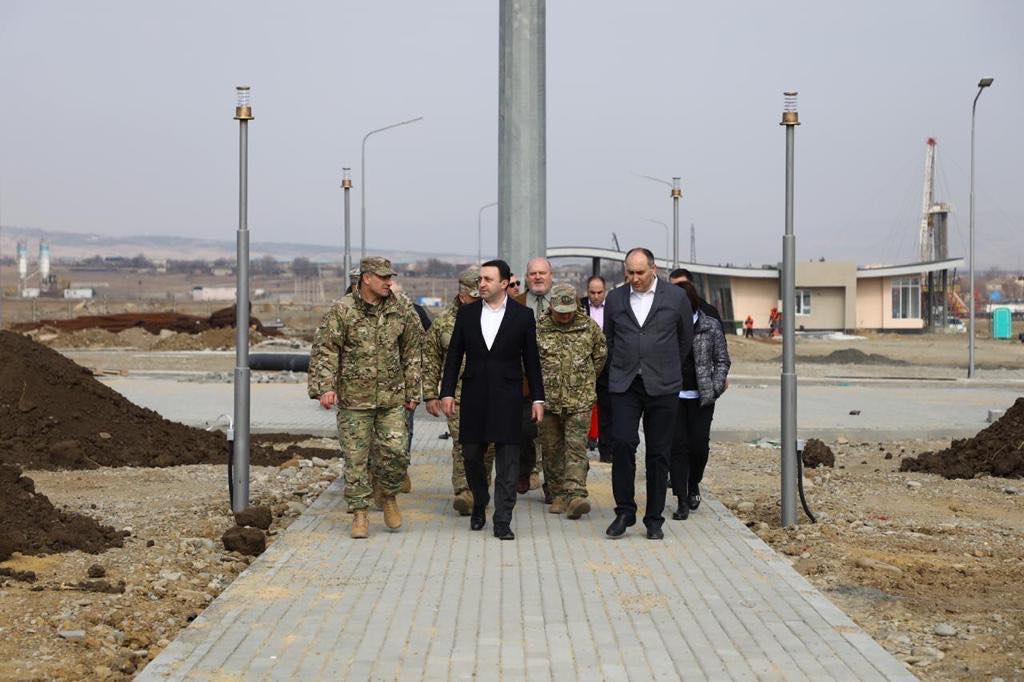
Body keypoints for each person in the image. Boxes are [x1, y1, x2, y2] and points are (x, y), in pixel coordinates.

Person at [308, 257, 422, 539]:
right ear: (366, 278)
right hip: (354, 400)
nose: (388, 282)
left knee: (396, 452)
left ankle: (389, 495)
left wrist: (413, 391)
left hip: (391, 398)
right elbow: (326, 349)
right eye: (383, 277)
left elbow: (412, 350)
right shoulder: (343, 309)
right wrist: (325, 387)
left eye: (390, 277)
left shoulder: (400, 307)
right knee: (355, 459)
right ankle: (360, 512)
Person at [440, 259, 544, 540]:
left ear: (504, 283)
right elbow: (454, 356)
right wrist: (446, 392)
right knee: (471, 455)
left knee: (508, 461)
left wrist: (538, 399)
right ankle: (480, 500)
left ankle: (503, 519)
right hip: (474, 395)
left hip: (508, 397)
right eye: (480, 279)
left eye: (487, 279)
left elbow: (532, 361)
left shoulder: (523, 316)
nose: (482, 284)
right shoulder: (467, 313)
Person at [603, 248, 693, 540]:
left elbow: (685, 339)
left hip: (663, 385)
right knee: (622, 443)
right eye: (630, 272)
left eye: (640, 272)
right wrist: (624, 364)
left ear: (653, 269)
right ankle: (624, 511)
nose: (635, 278)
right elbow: (609, 338)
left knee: (658, 452)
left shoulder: (675, 297)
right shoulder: (615, 298)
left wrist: (665, 365)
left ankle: (654, 519)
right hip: (625, 383)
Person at [423, 267, 495, 515]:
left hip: (490, 394)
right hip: (458, 396)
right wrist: (431, 394)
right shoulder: (444, 323)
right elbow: (431, 359)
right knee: (463, 443)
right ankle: (464, 491)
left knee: (489, 445)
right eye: (475, 297)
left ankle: (481, 489)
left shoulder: (494, 317)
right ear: (462, 296)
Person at [537, 283, 607, 518]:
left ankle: (576, 494)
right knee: (551, 449)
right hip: (548, 401)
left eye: (569, 311)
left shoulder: (588, 326)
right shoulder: (539, 328)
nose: (565, 316)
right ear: (552, 307)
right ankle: (557, 494)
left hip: (580, 400)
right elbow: (529, 361)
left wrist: (583, 380)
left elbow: (600, 356)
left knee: (575, 447)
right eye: (560, 312)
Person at [670, 281, 731, 520]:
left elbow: (722, 360)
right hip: (673, 397)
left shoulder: (710, 325)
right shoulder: (667, 326)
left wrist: (715, 387)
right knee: (677, 448)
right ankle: (681, 499)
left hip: (702, 398)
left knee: (698, 446)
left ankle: (693, 482)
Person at [514, 256, 554, 495]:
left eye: (542, 273)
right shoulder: (515, 303)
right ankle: (524, 470)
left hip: (556, 381)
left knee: (552, 436)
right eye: (533, 273)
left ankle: (552, 484)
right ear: (527, 277)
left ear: (551, 276)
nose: (538, 277)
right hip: (524, 381)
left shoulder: (564, 303)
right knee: (524, 430)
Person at [580, 275, 613, 462]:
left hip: (607, 368)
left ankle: (607, 451)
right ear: (587, 291)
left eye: (599, 292)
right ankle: (580, 451)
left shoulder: (613, 308)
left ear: (605, 291)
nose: (596, 296)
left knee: (607, 410)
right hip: (584, 367)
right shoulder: (579, 307)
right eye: (592, 292)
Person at [669, 268, 725, 333]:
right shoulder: (667, 314)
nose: (678, 290)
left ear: (691, 285)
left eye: (682, 285)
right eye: (673, 287)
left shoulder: (709, 312)